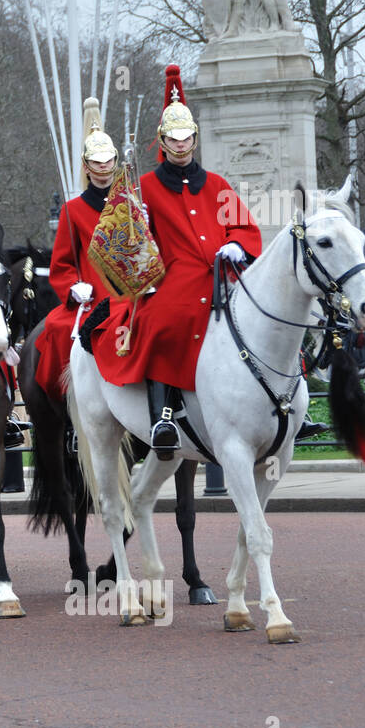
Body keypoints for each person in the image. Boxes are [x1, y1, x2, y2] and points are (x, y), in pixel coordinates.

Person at [90, 65, 264, 457]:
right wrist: (139, 224)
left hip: (223, 278)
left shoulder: (217, 184)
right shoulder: (146, 186)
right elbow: (121, 238)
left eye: (187, 137)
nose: (181, 144)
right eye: (174, 138)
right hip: (172, 282)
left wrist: (236, 244)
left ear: (195, 140)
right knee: (162, 322)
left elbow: (242, 226)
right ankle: (164, 415)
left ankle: (282, 408)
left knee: (266, 318)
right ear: (163, 142)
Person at [34, 97, 118, 405]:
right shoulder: (73, 210)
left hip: (128, 296)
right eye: (97, 163)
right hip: (92, 298)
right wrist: (73, 287)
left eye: (108, 161)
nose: (104, 168)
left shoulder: (132, 204)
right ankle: (67, 407)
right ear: (87, 166)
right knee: (58, 328)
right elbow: (62, 264)